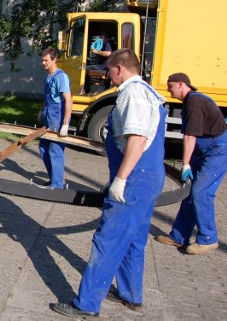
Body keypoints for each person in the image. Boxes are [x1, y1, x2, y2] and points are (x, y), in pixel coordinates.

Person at [51, 49, 166, 318]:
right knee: (135, 239)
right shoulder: (149, 92)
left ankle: (87, 304)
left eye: (109, 69)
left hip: (135, 179)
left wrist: (121, 180)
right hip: (148, 177)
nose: (106, 74)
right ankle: (130, 295)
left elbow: (136, 141)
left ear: (119, 69)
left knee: (108, 240)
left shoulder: (133, 94)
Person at [155, 73, 227, 255]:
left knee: (201, 192)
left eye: (170, 87)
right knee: (189, 192)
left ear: (181, 84)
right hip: (205, 149)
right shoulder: (190, 102)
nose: (169, 92)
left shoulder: (195, 102)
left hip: (217, 150)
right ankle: (179, 236)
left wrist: (186, 164)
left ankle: (208, 239)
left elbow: (190, 136)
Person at [39, 47, 72, 189]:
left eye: (46, 60)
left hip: (57, 118)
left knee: (55, 150)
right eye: (42, 60)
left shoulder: (61, 77)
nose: (43, 63)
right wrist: (42, 110)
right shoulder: (48, 76)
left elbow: (68, 100)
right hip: (48, 116)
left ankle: (57, 184)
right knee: (43, 148)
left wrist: (65, 124)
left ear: (54, 60)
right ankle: (54, 178)